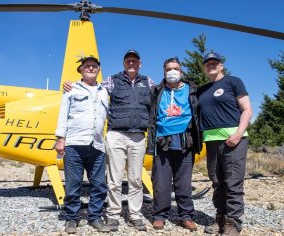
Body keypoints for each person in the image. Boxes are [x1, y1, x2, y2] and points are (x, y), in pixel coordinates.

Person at [63, 49, 155, 232]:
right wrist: (71, 85)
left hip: (138, 136)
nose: (131, 63)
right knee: (114, 179)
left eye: (134, 61)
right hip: (116, 135)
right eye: (128, 60)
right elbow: (91, 88)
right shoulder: (111, 81)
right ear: (123, 63)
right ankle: (113, 214)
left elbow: (161, 96)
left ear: (140, 64)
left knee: (136, 179)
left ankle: (135, 215)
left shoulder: (149, 82)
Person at [198, 52, 252, 236]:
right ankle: (220, 217)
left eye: (214, 63)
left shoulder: (233, 81)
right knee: (217, 182)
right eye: (207, 64)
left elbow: (247, 109)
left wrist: (238, 134)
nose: (211, 65)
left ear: (221, 65)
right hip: (211, 142)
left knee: (233, 182)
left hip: (233, 141)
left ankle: (233, 222)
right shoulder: (202, 89)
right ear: (204, 68)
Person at [55, 56, 110, 234]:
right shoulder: (71, 89)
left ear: (98, 70)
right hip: (74, 144)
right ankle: (71, 218)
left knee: (99, 184)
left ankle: (95, 217)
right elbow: (63, 114)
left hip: (97, 145)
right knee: (73, 185)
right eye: (87, 66)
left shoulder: (104, 91)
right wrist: (60, 138)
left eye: (94, 66)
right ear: (81, 70)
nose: (91, 68)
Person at [146, 57, 202, 232]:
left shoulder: (192, 90)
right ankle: (159, 216)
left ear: (181, 71)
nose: (172, 71)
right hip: (162, 142)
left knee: (183, 182)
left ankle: (186, 216)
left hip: (185, 140)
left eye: (175, 68)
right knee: (161, 182)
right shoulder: (156, 91)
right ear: (164, 72)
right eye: (169, 69)